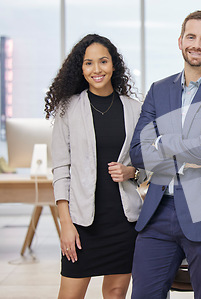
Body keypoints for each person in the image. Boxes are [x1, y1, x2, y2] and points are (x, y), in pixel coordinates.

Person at [129, 10, 201, 299]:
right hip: (158, 211)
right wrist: (189, 149)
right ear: (180, 41)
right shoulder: (159, 90)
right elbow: (137, 153)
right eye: (191, 37)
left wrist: (160, 142)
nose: (197, 44)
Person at [44, 34, 145, 299]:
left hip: (124, 223)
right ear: (81, 68)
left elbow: (148, 167)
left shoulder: (135, 109)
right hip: (82, 225)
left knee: (115, 293)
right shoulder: (68, 109)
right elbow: (61, 170)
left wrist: (131, 172)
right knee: (70, 294)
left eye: (103, 61)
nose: (97, 69)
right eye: (89, 63)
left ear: (114, 65)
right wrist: (66, 224)